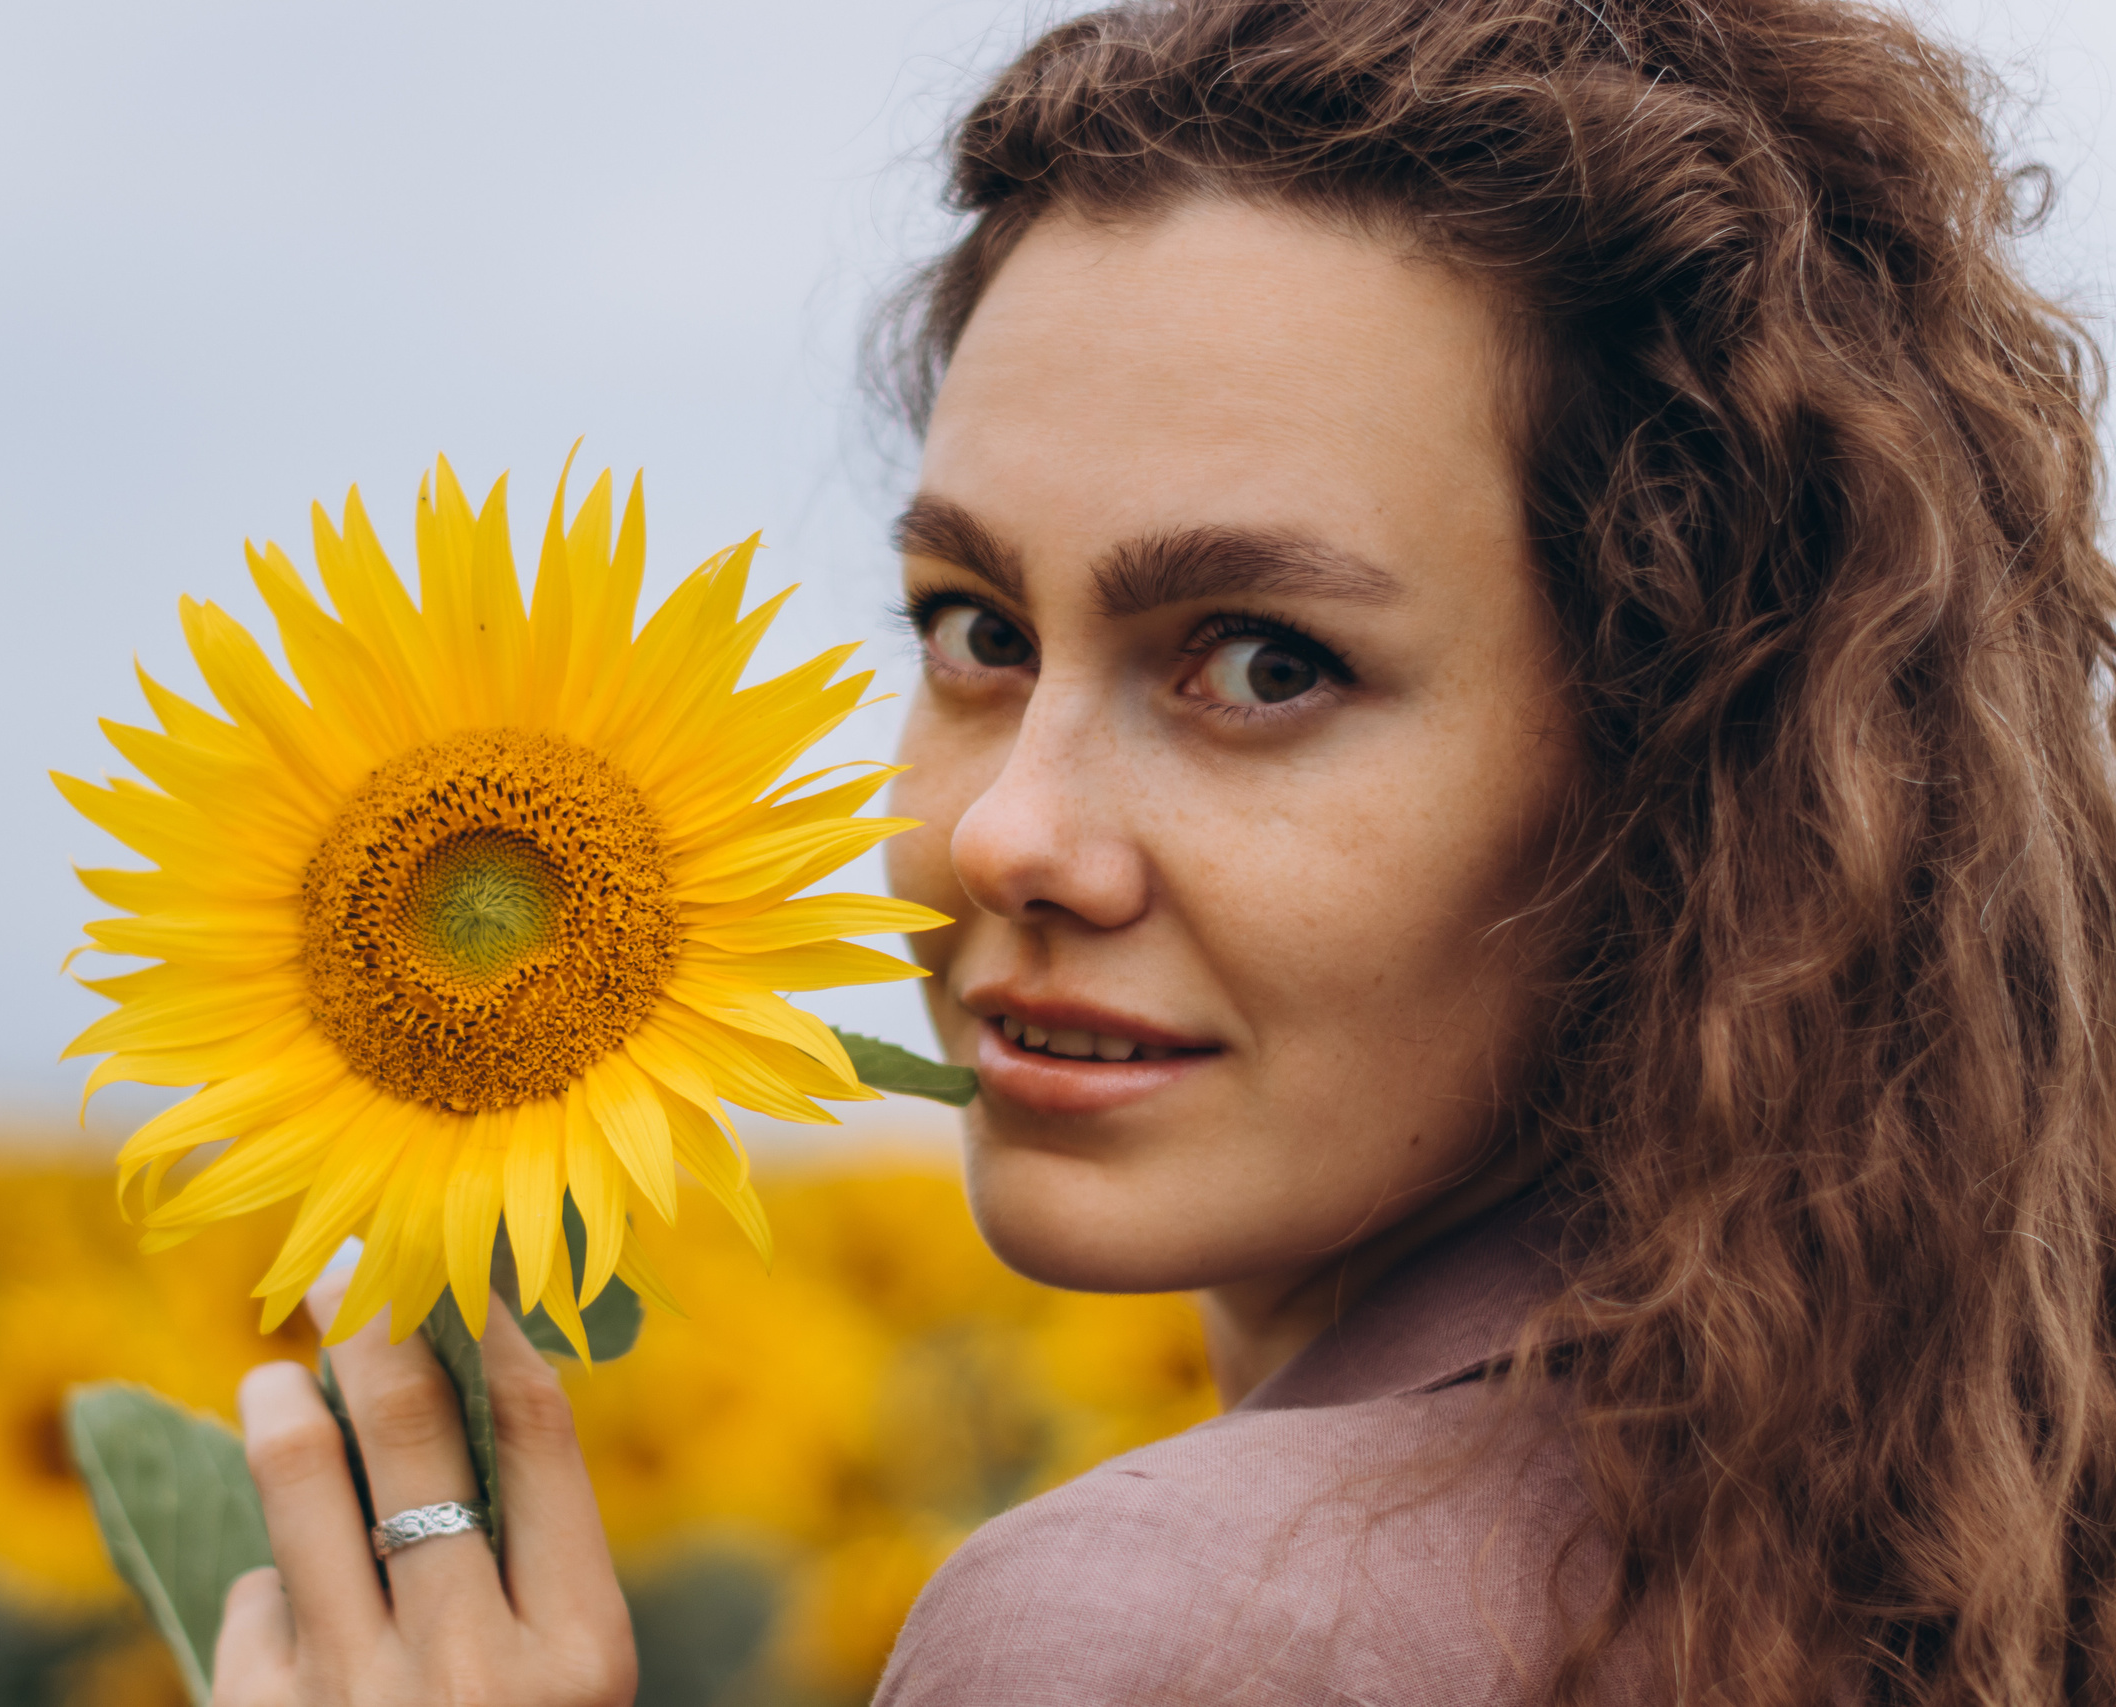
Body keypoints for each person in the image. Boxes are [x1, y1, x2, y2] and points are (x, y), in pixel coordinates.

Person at [210, 0, 2116, 1701]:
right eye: (976, 630)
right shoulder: (1938, 1497)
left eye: (1266, 664)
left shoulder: (1174, 1630)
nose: (1005, 835)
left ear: (1692, 772)